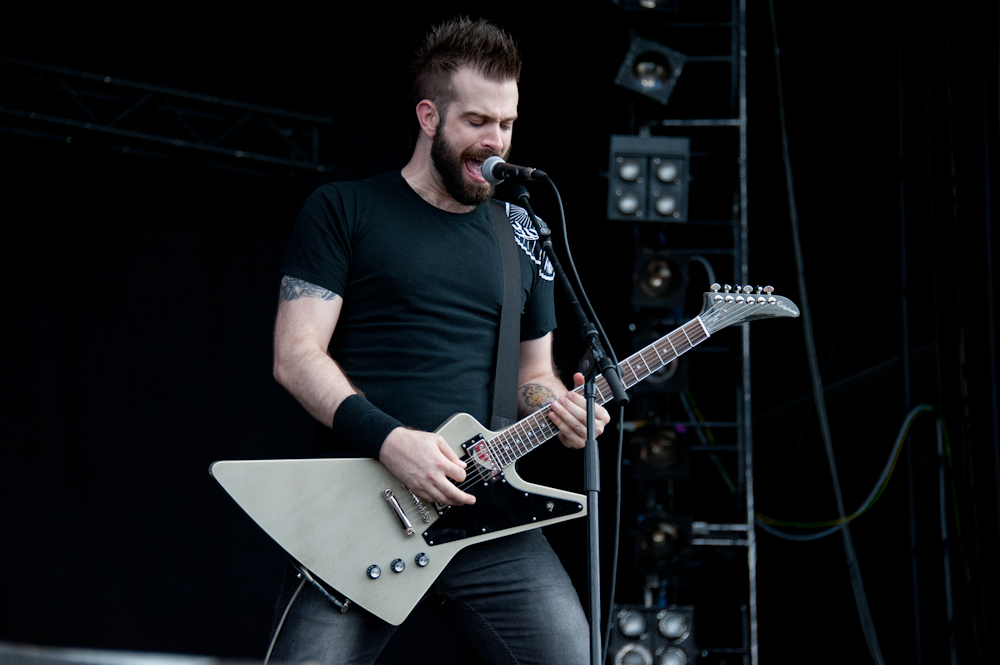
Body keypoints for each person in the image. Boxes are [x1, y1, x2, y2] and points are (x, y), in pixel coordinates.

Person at [268, 16, 610, 665]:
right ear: (429, 116)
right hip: (361, 508)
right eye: (478, 121)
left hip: (489, 513)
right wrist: (393, 441)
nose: (497, 142)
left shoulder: (524, 232)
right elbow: (295, 356)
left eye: (507, 123)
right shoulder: (344, 209)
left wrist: (561, 408)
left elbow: (534, 373)